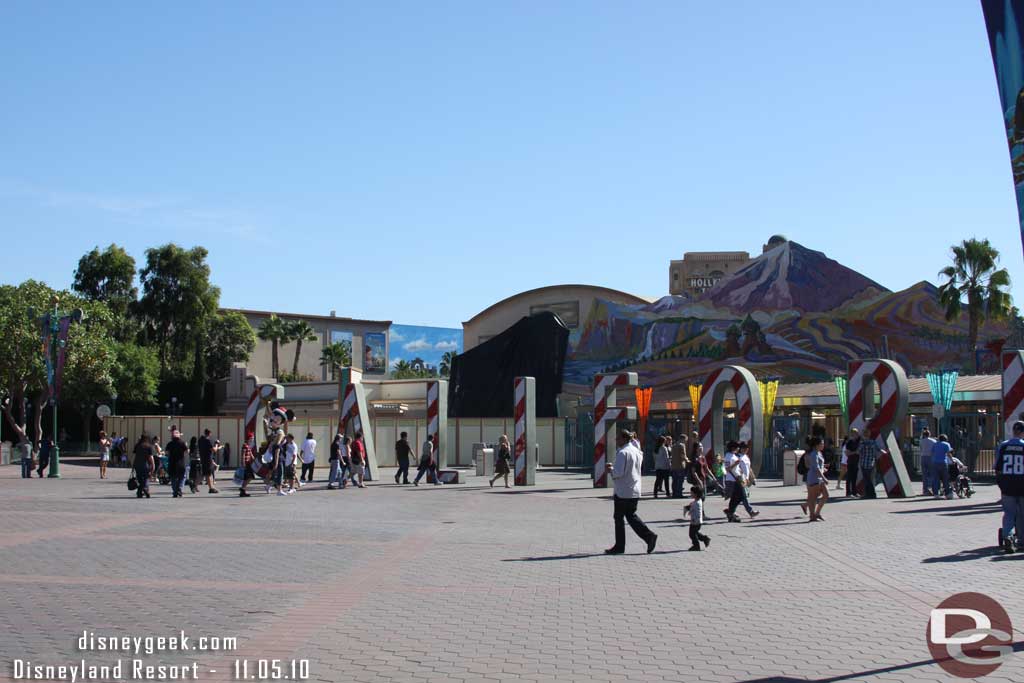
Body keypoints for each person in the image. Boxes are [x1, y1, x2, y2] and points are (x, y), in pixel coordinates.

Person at [605, 429, 658, 555]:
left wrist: (610, 469)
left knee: (619, 518)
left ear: (624, 439)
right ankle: (649, 536)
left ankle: (619, 546)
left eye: (618, 438)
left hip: (623, 491)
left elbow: (618, 473)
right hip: (634, 489)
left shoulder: (623, 453)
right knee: (631, 516)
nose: (616, 440)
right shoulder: (637, 452)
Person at [995, 421, 1024, 553]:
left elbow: (997, 468)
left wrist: (1001, 484)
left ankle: (1008, 535)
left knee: (1009, 513)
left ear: (1013, 431)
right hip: (1022, 484)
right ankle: (1021, 540)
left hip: (1007, 484)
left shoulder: (1004, 446)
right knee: (1022, 514)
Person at [724, 441, 759, 522]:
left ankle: (730, 513)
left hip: (738, 478)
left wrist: (743, 475)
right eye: (737, 447)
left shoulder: (734, 455)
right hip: (733, 480)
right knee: (742, 496)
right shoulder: (728, 456)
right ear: (733, 448)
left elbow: (738, 468)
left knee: (736, 497)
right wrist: (736, 464)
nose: (738, 448)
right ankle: (731, 513)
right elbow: (727, 469)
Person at [802, 436, 829, 521]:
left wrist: (823, 467)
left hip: (819, 478)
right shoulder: (813, 454)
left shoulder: (819, 453)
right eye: (821, 443)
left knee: (826, 495)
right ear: (816, 445)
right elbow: (816, 468)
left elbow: (818, 466)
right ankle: (812, 516)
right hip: (814, 478)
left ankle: (817, 513)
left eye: (823, 443)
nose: (823, 445)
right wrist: (824, 478)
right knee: (812, 498)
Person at [165, 430, 188, 498]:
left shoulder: (170, 443)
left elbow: (166, 452)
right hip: (181, 463)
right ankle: (179, 488)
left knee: (173, 477)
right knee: (182, 477)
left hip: (172, 463)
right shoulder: (182, 443)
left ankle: (175, 490)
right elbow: (187, 451)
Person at [687, 486, 711, 551]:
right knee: (695, 533)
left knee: (692, 534)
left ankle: (696, 546)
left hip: (696, 521)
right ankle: (705, 539)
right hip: (697, 521)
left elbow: (697, 512)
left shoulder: (696, 503)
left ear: (696, 494)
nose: (690, 494)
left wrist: (693, 517)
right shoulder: (698, 501)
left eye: (692, 493)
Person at [931, 434, 954, 500]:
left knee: (936, 479)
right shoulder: (946, 444)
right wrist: (952, 461)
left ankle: (936, 494)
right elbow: (949, 453)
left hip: (935, 463)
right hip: (943, 462)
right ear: (945, 439)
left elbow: (932, 453)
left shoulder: (935, 444)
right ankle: (947, 494)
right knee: (945, 478)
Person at [198, 429, 220, 493]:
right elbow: (214, 450)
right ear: (209, 433)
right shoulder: (207, 441)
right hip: (208, 458)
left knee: (204, 473)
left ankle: (194, 485)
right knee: (208, 473)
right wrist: (216, 444)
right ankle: (211, 488)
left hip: (202, 458)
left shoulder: (200, 440)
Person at [859, 434, 879, 499]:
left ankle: (870, 494)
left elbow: (858, 451)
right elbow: (878, 450)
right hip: (871, 463)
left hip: (864, 463)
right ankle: (871, 494)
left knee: (867, 480)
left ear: (864, 436)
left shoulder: (862, 443)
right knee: (869, 479)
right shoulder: (873, 442)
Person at [670, 434, 689, 499]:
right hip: (680, 465)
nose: (686, 441)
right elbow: (683, 456)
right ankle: (679, 494)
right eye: (686, 440)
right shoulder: (682, 445)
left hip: (673, 466)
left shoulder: (673, 445)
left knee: (674, 480)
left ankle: (674, 493)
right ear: (683, 439)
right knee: (680, 480)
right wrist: (687, 460)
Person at [844, 429, 861, 497]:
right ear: (852, 434)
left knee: (854, 477)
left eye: (856, 433)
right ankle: (848, 492)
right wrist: (855, 452)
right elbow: (847, 453)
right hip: (850, 462)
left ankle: (854, 492)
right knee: (849, 477)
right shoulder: (849, 442)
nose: (856, 435)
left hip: (856, 461)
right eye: (854, 433)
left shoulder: (858, 441)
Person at [919, 429, 937, 496]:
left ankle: (925, 490)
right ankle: (931, 488)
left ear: (923, 435)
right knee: (932, 474)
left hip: (923, 457)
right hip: (931, 457)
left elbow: (920, 449)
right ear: (929, 434)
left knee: (924, 475)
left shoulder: (921, 441)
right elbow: (934, 450)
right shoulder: (933, 441)